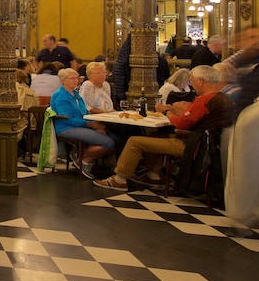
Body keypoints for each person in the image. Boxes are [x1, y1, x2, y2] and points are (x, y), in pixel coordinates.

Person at [94, 66, 235, 191]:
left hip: (196, 147)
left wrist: (168, 112)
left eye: (192, 81)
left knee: (134, 141)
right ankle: (153, 175)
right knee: (157, 135)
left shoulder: (205, 100)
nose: (191, 84)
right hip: (212, 146)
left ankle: (119, 180)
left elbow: (181, 124)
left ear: (201, 81)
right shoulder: (223, 98)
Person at [50, 67, 115, 179]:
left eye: (77, 78)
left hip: (80, 125)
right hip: (66, 127)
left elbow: (84, 113)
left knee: (114, 138)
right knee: (108, 142)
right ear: (63, 81)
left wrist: (94, 124)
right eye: (72, 78)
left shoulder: (76, 94)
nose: (76, 80)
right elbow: (66, 118)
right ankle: (84, 161)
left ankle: (81, 158)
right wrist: (89, 124)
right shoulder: (61, 95)